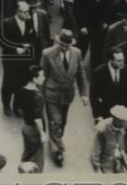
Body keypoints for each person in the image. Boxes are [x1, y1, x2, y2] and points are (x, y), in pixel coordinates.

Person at [39, 29, 87, 166]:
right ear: (58, 41)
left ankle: (56, 139)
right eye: (62, 44)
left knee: (62, 122)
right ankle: (57, 151)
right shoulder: (47, 54)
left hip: (67, 94)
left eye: (67, 45)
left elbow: (80, 74)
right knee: (55, 121)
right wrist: (40, 96)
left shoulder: (77, 53)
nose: (64, 47)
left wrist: (84, 94)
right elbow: (42, 75)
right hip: (52, 93)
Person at [91, 47, 127, 121]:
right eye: (118, 61)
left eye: (123, 59)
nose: (122, 62)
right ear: (110, 60)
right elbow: (94, 95)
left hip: (121, 112)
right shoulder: (99, 72)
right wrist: (97, 115)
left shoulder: (126, 70)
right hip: (105, 112)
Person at [18, 64, 46, 171]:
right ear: (34, 79)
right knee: (38, 161)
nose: (44, 78)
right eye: (41, 76)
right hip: (34, 130)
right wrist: (42, 134)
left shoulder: (23, 90)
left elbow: (20, 109)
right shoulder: (37, 96)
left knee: (26, 154)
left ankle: (22, 172)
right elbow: (37, 119)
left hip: (25, 127)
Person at [90, 105, 127, 173]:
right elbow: (95, 151)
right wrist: (97, 169)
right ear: (114, 118)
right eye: (121, 121)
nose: (124, 123)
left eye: (125, 121)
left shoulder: (125, 126)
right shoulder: (102, 128)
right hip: (106, 164)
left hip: (121, 162)